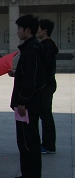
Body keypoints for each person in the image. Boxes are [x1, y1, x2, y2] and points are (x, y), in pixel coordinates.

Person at [10, 14, 45, 178]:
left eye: (19, 28)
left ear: (27, 30)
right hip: (27, 102)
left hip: (28, 105)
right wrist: (16, 73)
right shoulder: (30, 48)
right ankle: (27, 174)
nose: (17, 31)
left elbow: (31, 80)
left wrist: (22, 101)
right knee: (25, 140)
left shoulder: (32, 50)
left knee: (28, 141)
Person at [37, 19, 58, 154]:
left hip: (46, 84)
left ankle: (49, 145)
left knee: (45, 115)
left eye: (38, 28)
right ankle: (47, 143)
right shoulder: (47, 45)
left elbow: (43, 67)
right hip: (47, 83)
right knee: (45, 114)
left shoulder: (47, 46)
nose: (36, 31)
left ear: (44, 31)